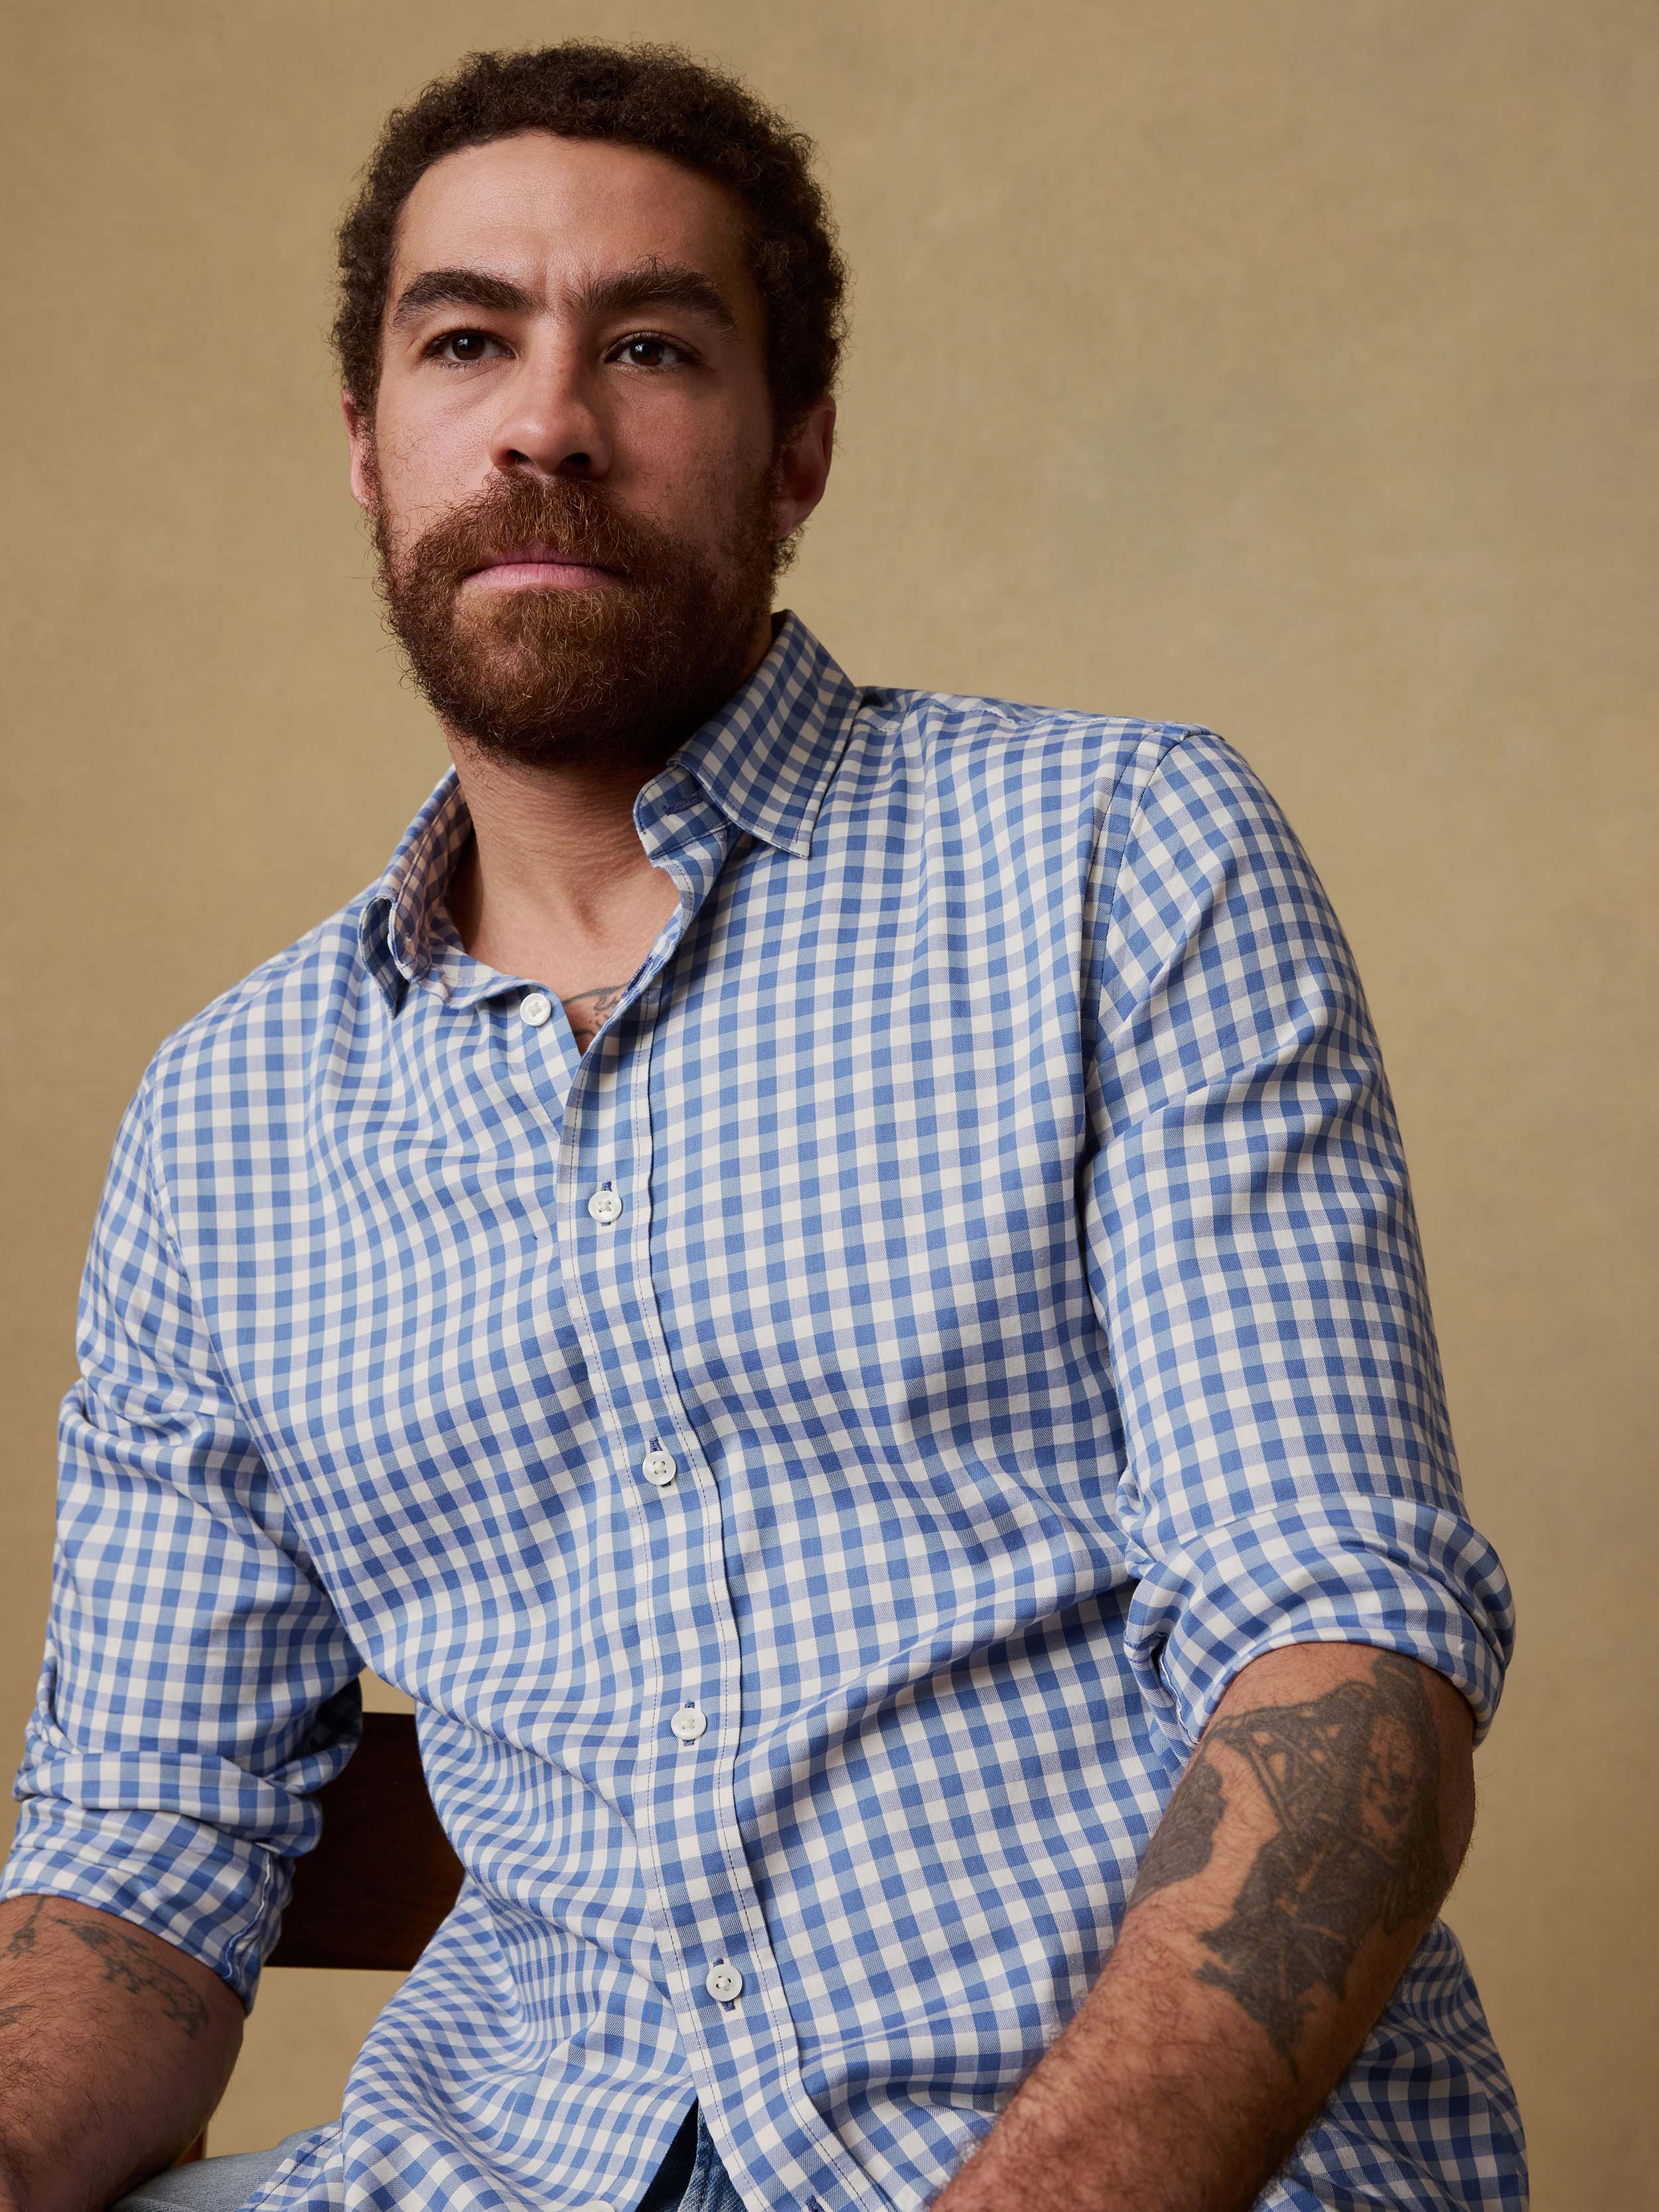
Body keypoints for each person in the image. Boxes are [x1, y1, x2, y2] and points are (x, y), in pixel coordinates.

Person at [0, 40, 1524, 2212]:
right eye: (464, 341)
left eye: (647, 343)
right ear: (367, 447)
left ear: (795, 444)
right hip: (486, 2171)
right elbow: (145, 1840)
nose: (544, 419)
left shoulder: (1110, 861)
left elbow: (1340, 1648)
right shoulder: (225, 1120)